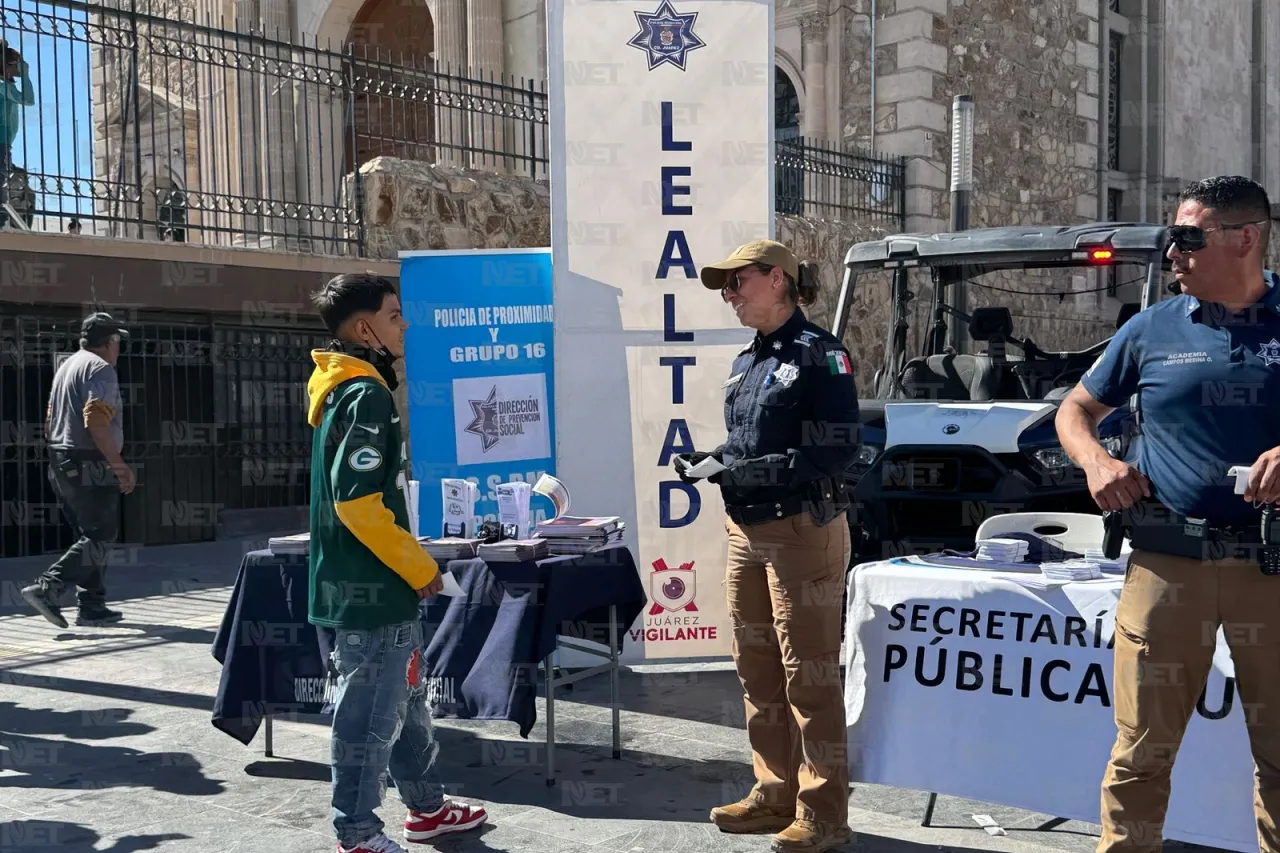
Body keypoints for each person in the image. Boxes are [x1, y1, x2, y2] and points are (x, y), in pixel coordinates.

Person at [1055, 175, 1280, 853]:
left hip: (1270, 572)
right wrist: (1097, 462)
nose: (1171, 253)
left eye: (1187, 238)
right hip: (1167, 567)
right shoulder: (1151, 326)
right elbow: (1074, 410)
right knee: (1140, 753)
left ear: (1246, 238)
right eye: (1169, 238)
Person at [674, 240, 860, 853]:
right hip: (745, 531)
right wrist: (709, 462)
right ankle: (774, 792)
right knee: (756, 670)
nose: (729, 295)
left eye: (737, 283)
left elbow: (837, 448)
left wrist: (757, 471)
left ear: (777, 280)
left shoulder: (822, 355)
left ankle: (824, 812)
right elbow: (742, 443)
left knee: (808, 675)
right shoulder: (746, 361)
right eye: (725, 287)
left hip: (803, 531)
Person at [307, 273, 487, 853]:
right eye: (392, 314)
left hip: (376, 585)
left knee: (405, 701)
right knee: (366, 715)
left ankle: (428, 810)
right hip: (373, 586)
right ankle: (357, 832)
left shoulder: (349, 388)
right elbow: (357, 502)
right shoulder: (366, 394)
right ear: (366, 330)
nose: (403, 323)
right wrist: (419, 567)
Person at [22, 312, 135, 629]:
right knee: (101, 534)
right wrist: (118, 464)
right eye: (117, 341)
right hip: (88, 459)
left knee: (91, 535)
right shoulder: (101, 369)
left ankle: (92, 605)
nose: (119, 348)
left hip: (61, 458)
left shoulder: (67, 366)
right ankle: (48, 588)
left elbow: (49, 418)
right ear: (110, 342)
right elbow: (96, 421)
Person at [0, 44, 34, 230]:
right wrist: (26, 74)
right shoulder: (2, 87)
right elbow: (28, 100)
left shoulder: (5, 87)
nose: (20, 66)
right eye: (17, 63)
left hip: (4, 143)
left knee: (4, 185)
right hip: (1, 143)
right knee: (2, 188)